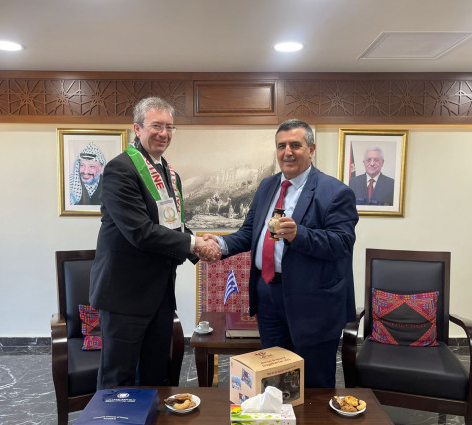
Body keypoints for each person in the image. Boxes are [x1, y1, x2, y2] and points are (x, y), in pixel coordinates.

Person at [203, 119, 358, 388]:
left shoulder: (335, 192)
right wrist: (219, 243)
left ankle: (313, 418)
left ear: (311, 149)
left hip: (313, 302)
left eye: (295, 145)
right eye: (281, 146)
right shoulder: (267, 186)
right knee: (275, 378)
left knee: (314, 383)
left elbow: (343, 243)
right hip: (268, 297)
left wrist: (299, 234)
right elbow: (249, 232)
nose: (288, 152)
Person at [89, 97, 217, 389]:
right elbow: (140, 232)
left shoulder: (169, 174)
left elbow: (170, 225)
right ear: (137, 128)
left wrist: (199, 242)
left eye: (169, 127)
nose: (164, 133)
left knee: (155, 375)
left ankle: (150, 421)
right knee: (118, 379)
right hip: (124, 296)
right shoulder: (120, 170)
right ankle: (115, 422)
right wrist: (194, 244)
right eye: (156, 126)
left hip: (160, 295)